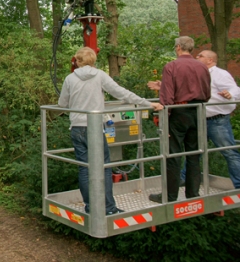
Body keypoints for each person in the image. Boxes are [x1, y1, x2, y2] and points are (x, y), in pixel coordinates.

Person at [58, 47, 163, 214]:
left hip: (77, 127)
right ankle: (108, 208)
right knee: (104, 167)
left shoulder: (70, 78)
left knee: (85, 168)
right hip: (94, 127)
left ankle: (90, 207)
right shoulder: (99, 75)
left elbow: (62, 104)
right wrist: (148, 104)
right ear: (93, 61)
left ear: (77, 61)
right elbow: (121, 93)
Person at [149, 49, 240, 189]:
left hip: (216, 121)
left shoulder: (220, 74)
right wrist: (163, 86)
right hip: (198, 118)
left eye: (200, 56)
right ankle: (185, 179)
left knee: (229, 152)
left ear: (210, 60)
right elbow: (187, 92)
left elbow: (236, 90)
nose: (197, 57)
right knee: (194, 152)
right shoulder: (198, 71)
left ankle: (239, 184)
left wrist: (230, 93)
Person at [146, 36, 210, 203]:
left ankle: (170, 196)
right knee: (194, 153)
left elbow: (167, 97)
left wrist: (164, 121)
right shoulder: (203, 67)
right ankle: (193, 194)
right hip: (199, 111)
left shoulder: (171, 66)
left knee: (173, 154)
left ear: (179, 47)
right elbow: (207, 92)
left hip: (178, 112)